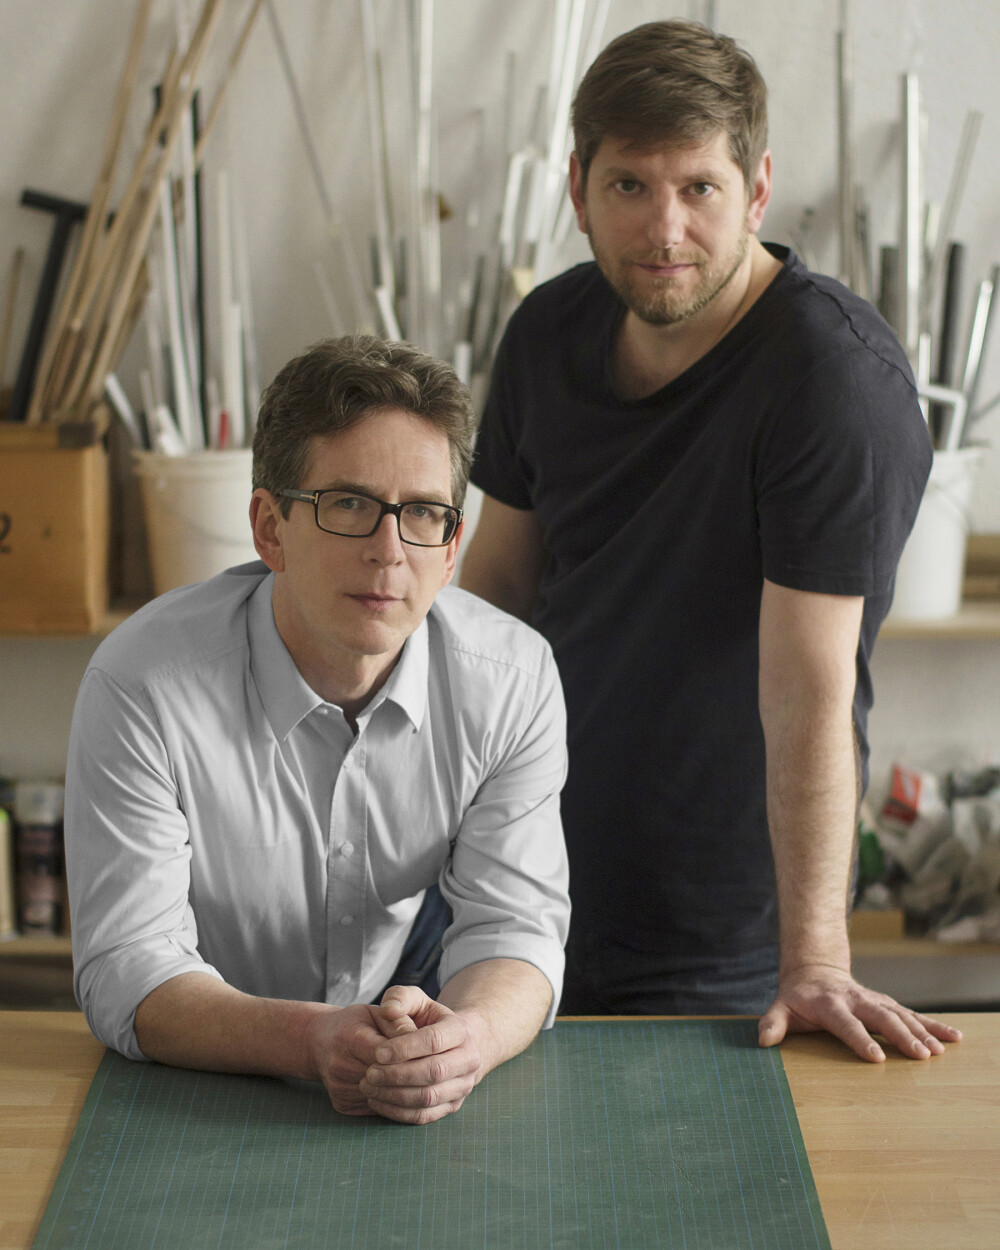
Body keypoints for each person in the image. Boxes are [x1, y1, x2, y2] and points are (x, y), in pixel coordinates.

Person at [461, 19, 960, 1063]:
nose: (664, 226)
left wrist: (814, 957)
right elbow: (494, 595)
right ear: (576, 188)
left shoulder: (831, 382)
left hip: (720, 911)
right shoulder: (546, 332)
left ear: (757, 188)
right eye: (630, 185)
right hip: (530, 867)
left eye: (698, 187)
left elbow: (808, 684)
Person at [65, 335, 570, 1124]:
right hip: (196, 1083)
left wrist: (465, 1041)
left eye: (423, 516)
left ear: (451, 550)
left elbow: (517, 927)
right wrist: (311, 1041)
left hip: (405, 1035)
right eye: (349, 505)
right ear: (270, 527)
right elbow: (127, 969)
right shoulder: (143, 683)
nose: (388, 553)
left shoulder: (513, 679)